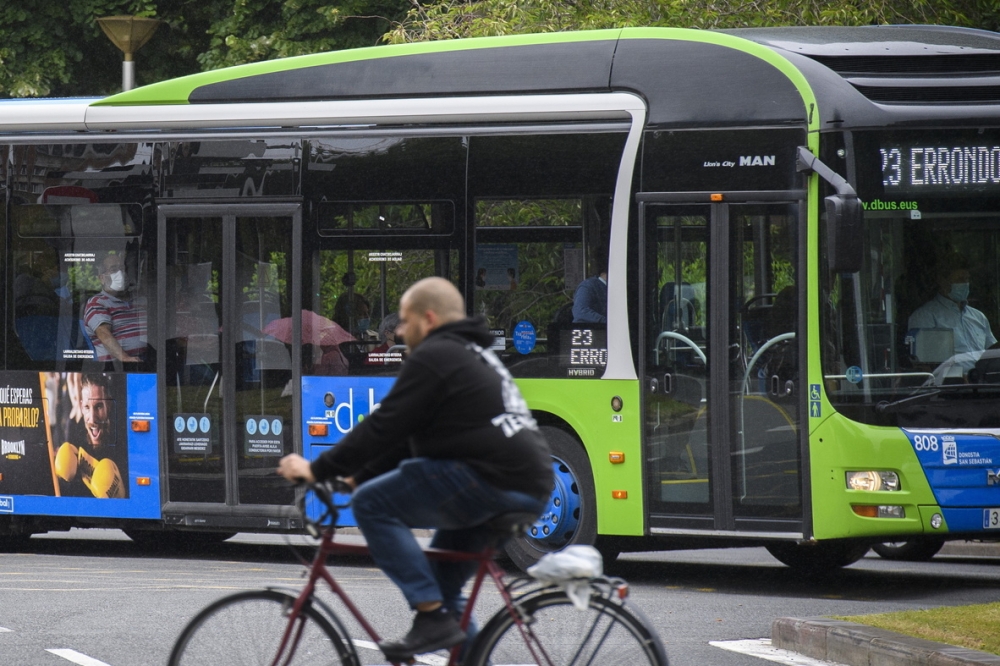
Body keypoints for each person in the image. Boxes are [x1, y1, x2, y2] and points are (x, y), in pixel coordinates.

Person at [277, 277, 552, 661]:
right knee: (443, 592)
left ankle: (430, 617)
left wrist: (316, 470)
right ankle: (442, 624)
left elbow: (384, 424)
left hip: (490, 478)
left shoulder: (437, 354)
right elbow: (408, 435)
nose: (401, 332)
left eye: (405, 322)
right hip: (526, 483)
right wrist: (357, 476)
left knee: (373, 505)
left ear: (428, 318)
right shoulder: (469, 352)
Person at [908, 253, 997, 368]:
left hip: (985, 382)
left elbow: (993, 353)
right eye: (960, 279)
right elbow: (922, 364)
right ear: (943, 281)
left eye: (967, 279)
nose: (965, 284)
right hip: (949, 384)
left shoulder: (979, 316)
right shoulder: (925, 316)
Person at [83, 253, 148, 363]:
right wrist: (124, 358)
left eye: (122, 269)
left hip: (146, 360)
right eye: (113, 270)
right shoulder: (97, 303)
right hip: (117, 366)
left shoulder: (139, 299)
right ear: (102, 278)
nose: (120, 273)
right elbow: (104, 334)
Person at [572, 259, 608, 324]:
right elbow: (581, 311)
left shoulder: (615, 290)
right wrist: (609, 323)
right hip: (593, 330)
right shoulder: (588, 286)